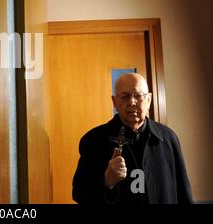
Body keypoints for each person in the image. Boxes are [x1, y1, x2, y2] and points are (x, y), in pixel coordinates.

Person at [72, 73, 193, 204]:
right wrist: (106, 181)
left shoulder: (168, 138)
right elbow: (79, 194)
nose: (132, 102)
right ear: (114, 102)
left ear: (149, 100)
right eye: (124, 97)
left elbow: (183, 192)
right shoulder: (93, 140)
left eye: (138, 96)